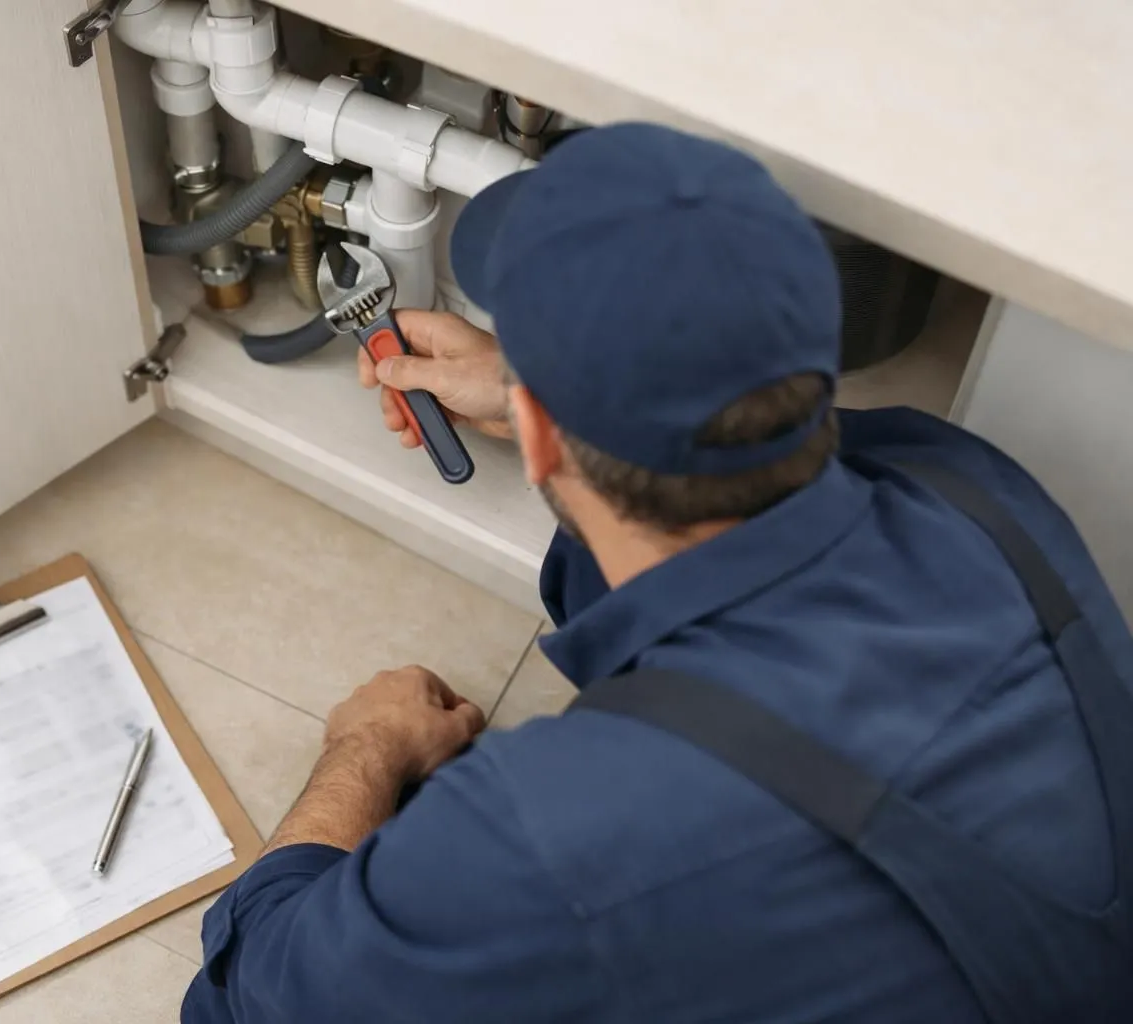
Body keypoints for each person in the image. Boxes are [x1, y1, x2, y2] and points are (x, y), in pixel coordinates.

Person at [179, 123, 1133, 1023]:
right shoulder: (971, 487)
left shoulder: (555, 833)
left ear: (542, 435)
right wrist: (557, 406)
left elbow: (253, 999)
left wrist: (367, 750)